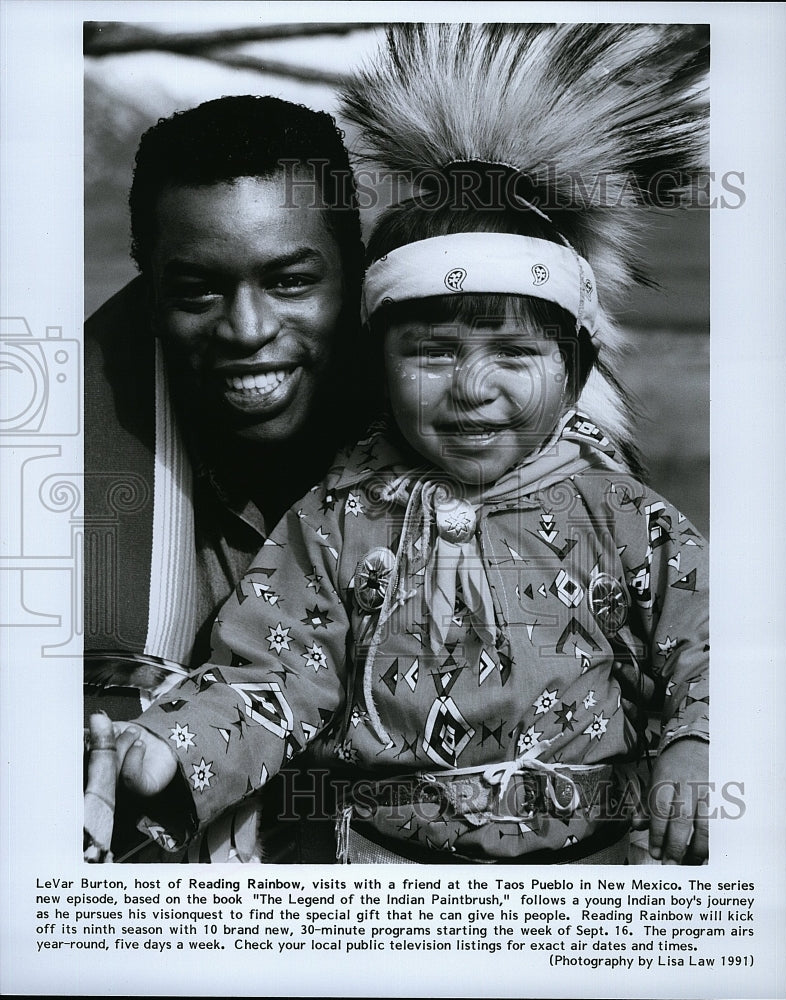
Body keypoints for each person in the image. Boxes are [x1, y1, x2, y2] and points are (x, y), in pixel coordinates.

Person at [107, 24, 710, 865]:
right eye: (430, 354)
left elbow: (704, 639)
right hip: (382, 870)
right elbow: (274, 671)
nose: (471, 388)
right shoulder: (336, 522)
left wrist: (698, 740)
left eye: (514, 353)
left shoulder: (621, 518)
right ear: (377, 365)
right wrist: (178, 750)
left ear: (573, 375)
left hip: (597, 868)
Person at [83, 95, 370, 863]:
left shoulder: (469, 463)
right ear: (149, 294)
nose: (246, 330)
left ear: (354, 277)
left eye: (289, 282)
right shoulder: (56, 481)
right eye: (197, 292)